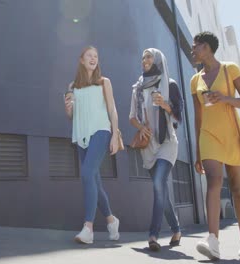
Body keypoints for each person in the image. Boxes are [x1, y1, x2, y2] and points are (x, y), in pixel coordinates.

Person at [190, 31, 240, 260]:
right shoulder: (194, 80)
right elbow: (197, 118)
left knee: (237, 188)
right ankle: (213, 240)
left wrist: (225, 98)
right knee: (214, 181)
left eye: (195, 46)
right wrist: (198, 150)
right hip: (208, 135)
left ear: (206, 47)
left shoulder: (230, 69)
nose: (192, 50)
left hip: (232, 133)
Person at [64, 46, 120, 244]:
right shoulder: (73, 86)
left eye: (96, 56)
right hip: (81, 135)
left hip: (101, 131)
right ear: (81, 59)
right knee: (94, 182)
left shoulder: (104, 82)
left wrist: (115, 134)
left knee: (87, 174)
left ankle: (88, 228)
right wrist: (68, 109)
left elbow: (112, 110)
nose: (93, 58)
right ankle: (112, 221)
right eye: (89, 55)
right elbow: (72, 116)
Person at [129, 48, 183, 251]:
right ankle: (177, 229)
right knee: (161, 191)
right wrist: (141, 127)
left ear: (158, 60)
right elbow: (132, 116)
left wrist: (166, 105)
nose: (145, 60)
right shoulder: (137, 87)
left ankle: (153, 235)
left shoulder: (169, 84)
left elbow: (179, 116)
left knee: (158, 184)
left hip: (167, 142)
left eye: (149, 56)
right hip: (148, 146)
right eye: (143, 57)